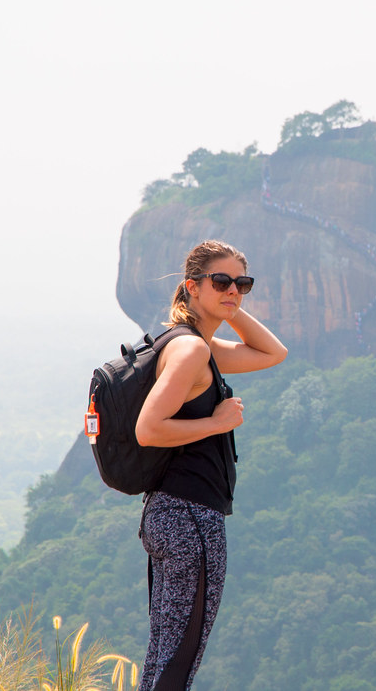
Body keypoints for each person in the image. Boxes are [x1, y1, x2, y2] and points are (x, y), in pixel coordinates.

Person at [134, 239, 287, 691]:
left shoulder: (193, 344)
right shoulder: (191, 351)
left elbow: (272, 353)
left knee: (166, 655)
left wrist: (225, 306)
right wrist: (217, 423)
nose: (233, 290)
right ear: (191, 286)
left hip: (169, 514)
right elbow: (148, 428)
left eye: (242, 284)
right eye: (220, 281)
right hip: (189, 519)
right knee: (178, 660)